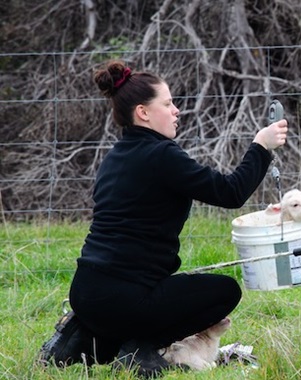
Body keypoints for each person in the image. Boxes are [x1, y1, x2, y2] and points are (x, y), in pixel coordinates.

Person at [38, 60, 288, 378]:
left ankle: (78, 338)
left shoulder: (114, 157)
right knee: (225, 291)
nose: (176, 111)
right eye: (167, 103)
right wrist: (261, 147)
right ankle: (141, 349)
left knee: (128, 314)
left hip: (85, 292)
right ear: (143, 112)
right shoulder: (161, 156)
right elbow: (230, 193)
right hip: (126, 298)